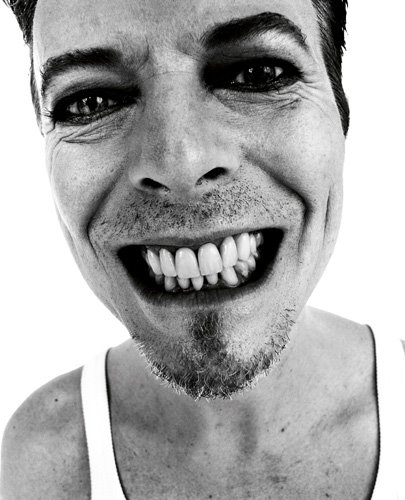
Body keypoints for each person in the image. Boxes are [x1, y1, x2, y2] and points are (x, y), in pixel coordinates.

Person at [1, 0, 404, 498]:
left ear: (342, 115)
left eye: (256, 74)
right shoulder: (41, 462)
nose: (180, 164)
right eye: (91, 101)